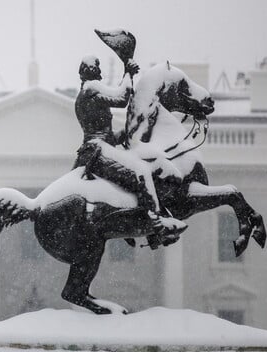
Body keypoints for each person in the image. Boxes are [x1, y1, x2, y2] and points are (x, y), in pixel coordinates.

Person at [73, 55, 186, 247]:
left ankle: (144, 219)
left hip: (99, 147)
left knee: (148, 168)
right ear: (89, 72)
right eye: (96, 68)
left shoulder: (88, 93)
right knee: (141, 172)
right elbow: (122, 99)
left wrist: (123, 134)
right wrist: (128, 72)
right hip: (96, 151)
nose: (100, 72)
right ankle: (157, 226)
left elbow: (102, 131)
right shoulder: (91, 88)